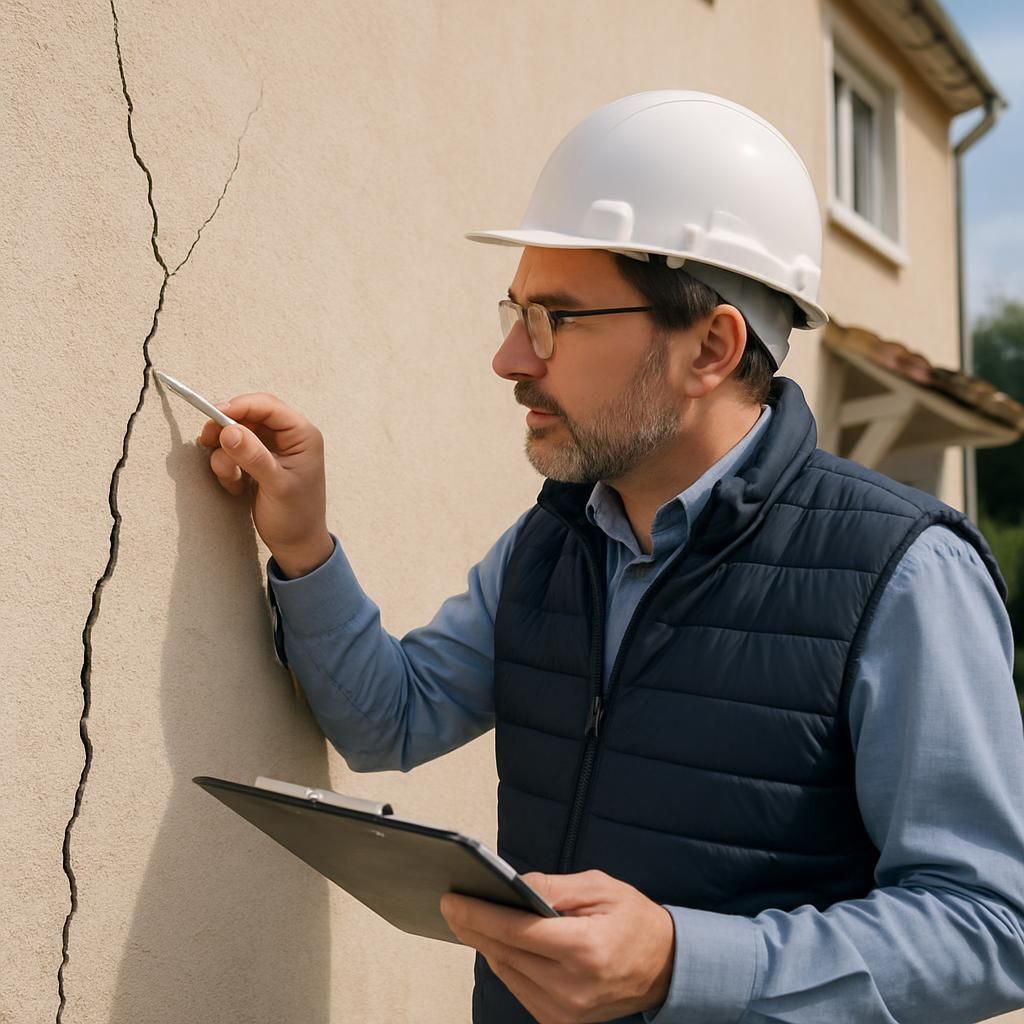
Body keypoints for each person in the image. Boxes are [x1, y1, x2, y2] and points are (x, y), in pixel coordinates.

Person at [197, 92, 1024, 1023]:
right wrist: (302, 542)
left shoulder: (905, 570)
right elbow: (391, 719)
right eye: (515, 310)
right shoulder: (555, 540)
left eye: (555, 318)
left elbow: (989, 925)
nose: (510, 357)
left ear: (711, 345)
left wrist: (685, 961)